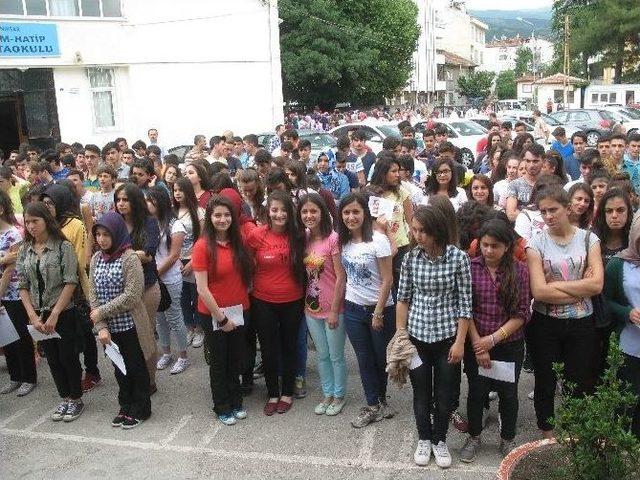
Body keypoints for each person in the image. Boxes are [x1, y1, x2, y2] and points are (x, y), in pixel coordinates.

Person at [396, 205, 472, 469]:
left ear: (436, 231)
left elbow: (465, 304)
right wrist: (400, 336)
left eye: (422, 231)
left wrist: (461, 342)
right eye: (414, 230)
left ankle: (440, 440)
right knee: (421, 393)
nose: (416, 235)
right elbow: (403, 299)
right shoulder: (410, 258)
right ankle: (424, 438)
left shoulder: (458, 258)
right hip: (416, 337)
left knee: (444, 393)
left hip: (447, 338)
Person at [526, 184, 604, 439]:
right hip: (545, 323)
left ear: (568, 209)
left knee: (579, 380)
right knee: (546, 380)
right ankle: (547, 433)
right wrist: (580, 287)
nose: (548, 216)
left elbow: (597, 284)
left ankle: (574, 432)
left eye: (553, 210)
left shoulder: (588, 239)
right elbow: (539, 292)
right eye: (543, 211)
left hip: (582, 323)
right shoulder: (535, 244)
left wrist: (556, 284)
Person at [459, 219, 531, 462]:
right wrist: (480, 345)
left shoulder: (520, 271)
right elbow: (465, 309)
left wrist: (493, 340)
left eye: (495, 246)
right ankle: (474, 436)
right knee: (476, 393)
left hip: (509, 345)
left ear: (507, 246)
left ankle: (507, 439)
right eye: (485, 245)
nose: (489, 251)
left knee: (509, 395)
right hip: (476, 342)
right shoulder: (470, 268)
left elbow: (522, 313)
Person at [17, 202, 83, 421]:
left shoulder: (62, 246)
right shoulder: (25, 249)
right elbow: (22, 285)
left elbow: (70, 281)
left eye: (35, 221)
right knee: (52, 358)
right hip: (38, 313)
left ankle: (76, 399)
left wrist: (55, 313)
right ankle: (64, 397)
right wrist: (33, 315)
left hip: (63, 311)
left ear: (46, 220)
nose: (31, 226)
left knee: (67, 356)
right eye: (27, 222)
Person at [193, 195, 253, 426]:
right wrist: (222, 318)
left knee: (235, 359)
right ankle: (222, 406)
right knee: (219, 361)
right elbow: (202, 288)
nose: (222, 219)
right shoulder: (202, 246)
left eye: (227, 215)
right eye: (217, 215)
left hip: (240, 310)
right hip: (214, 314)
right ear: (210, 217)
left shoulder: (238, 243)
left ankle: (236, 401)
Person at [338, 193, 396, 428]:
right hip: (352, 308)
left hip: (379, 309)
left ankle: (381, 398)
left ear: (364, 213)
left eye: (356, 212)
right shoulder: (343, 242)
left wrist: (378, 312)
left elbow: (388, 279)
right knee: (364, 359)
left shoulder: (379, 241)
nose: (351, 217)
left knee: (380, 358)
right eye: (346, 213)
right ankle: (373, 404)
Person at [89, 212, 151, 429]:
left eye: (106, 234)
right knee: (118, 367)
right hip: (109, 329)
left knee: (135, 366)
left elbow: (132, 295)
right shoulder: (96, 259)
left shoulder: (129, 258)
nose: (102, 239)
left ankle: (141, 408)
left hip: (130, 324)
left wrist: (101, 313)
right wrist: (101, 327)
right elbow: (93, 294)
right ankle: (125, 404)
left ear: (117, 233)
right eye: (98, 234)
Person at [246, 190, 305, 415]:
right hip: (263, 300)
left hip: (293, 299)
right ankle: (272, 393)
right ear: (268, 212)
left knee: (289, 346)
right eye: (274, 210)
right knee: (269, 349)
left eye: (283, 210)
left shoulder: (299, 235)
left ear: (290, 212)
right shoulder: (256, 235)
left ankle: (287, 392)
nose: (279, 214)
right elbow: (245, 260)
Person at [298, 193, 347, 416]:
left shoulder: (333, 238)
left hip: (333, 308)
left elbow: (340, 277)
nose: (309, 215)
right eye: (305, 211)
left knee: (336, 355)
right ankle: (327, 393)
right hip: (310, 308)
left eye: (313, 211)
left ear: (322, 213)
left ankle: (339, 395)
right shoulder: (303, 237)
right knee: (322, 354)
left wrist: (335, 310)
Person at [114, 183, 160, 393]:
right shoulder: (115, 223)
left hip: (146, 286)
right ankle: (135, 377)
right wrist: (133, 255)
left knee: (146, 334)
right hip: (122, 288)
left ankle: (150, 381)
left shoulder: (148, 222)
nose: (121, 203)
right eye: (118, 200)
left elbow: (149, 253)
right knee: (127, 336)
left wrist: (123, 255)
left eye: (125, 199)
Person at [146, 187, 190, 375]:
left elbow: (173, 256)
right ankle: (166, 352)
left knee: (174, 316)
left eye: (150, 201)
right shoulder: (148, 223)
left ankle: (183, 356)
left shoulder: (175, 225)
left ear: (160, 202)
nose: (147, 204)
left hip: (170, 277)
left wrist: (154, 273)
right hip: (154, 277)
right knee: (159, 318)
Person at [603, 216, 640, 438]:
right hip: (628, 346)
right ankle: (620, 454)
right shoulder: (619, 265)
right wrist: (627, 312)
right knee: (625, 403)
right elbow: (605, 301)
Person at [0, 189, 36, 396]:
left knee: (20, 335)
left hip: (12, 292)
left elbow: (11, 268)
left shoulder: (13, 234)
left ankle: (28, 377)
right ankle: (15, 376)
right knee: (5, 336)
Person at [368, 154, 413, 296]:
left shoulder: (402, 193)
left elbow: (411, 221)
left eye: (398, 171)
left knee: (400, 285)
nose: (397, 175)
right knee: (381, 282)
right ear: (383, 172)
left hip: (400, 246)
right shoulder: (370, 192)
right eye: (393, 171)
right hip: (378, 246)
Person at [173, 177, 205, 349]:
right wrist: (175, 259)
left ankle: (200, 329)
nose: (177, 193)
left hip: (195, 259)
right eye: (175, 190)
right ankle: (189, 327)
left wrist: (193, 261)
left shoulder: (199, 212)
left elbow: (202, 238)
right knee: (182, 297)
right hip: (176, 261)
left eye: (181, 190)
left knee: (197, 295)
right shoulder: (171, 212)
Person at [506, 144, 545, 222]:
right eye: (527, 161)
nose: (531, 165)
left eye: (535, 161)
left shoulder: (550, 183)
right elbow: (511, 214)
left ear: (543, 161)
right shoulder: (514, 185)